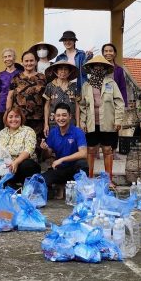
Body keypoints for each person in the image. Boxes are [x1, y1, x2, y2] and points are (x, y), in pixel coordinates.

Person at [79, 54, 125, 184]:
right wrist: (83, 121)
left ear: (105, 68)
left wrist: (118, 120)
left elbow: (119, 103)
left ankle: (108, 180)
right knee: (91, 150)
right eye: (95, 66)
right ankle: (89, 179)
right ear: (91, 68)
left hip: (108, 123)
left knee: (107, 150)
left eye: (101, 66)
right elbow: (83, 105)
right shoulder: (86, 85)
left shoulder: (111, 83)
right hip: (91, 123)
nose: (98, 68)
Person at [39, 103, 89, 192]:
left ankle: (79, 191)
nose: (61, 118)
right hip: (60, 169)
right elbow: (47, 155)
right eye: (58, 115)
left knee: (82, 163)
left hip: (74, 168)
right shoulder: (53, 132)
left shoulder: (78, 132)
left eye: (64, 115)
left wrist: (62, 159)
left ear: (70, 116)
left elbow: (83, 153)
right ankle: (60, 186)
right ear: (54, 117)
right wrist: (45, 149)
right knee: (40, 180)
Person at [7, 51, 46, 140]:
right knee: (19, 142)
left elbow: (46, 100)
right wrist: (8, 115)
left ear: (36, 62)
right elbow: (10, 97)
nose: (29, 63)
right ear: (22, 62)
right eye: (26, 61)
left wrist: (46, 120)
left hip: (37, 119)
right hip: (18, 118)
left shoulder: (42, 78)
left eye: (31, 61)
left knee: (36, 144)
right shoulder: (16, 78)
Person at [0, 106, 40, 188]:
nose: (14, 119)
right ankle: (11, 185)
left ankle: (27, 188)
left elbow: (28, 150)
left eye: (17, 116)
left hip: (23, 166)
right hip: (6, 167)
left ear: (21, 118)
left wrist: (16, 162)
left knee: (27, 165)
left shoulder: (28, 131)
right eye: (10, 117)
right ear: (6, 119)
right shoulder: (1, 134)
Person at [43, 60, 80, 137]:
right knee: (54, 142)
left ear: (69, 72)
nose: (63, 71)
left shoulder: (74, 86)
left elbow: (77, 106)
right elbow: (47, 106)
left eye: (66, 69)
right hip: (54, 122)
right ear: (56, 71)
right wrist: (46, 124)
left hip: (71, 122)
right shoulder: (50, 86)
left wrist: (78, 124)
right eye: (60, 69)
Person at [0, 48, 23, 129]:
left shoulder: (20, 73)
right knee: (2, 131)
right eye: (5, 57)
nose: (7, 59)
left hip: (16, 107)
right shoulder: (1, 75)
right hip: (2, 107)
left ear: (14, 57)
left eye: (9, 56)